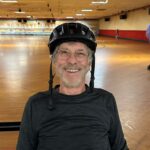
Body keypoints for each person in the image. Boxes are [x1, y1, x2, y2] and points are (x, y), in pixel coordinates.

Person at [16, 22, 129, 150]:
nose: (72, 60)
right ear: (53, 59)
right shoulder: (35, 105)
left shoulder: (106, 101)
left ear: (89, 61)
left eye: (80, 53)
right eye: (64, 52)